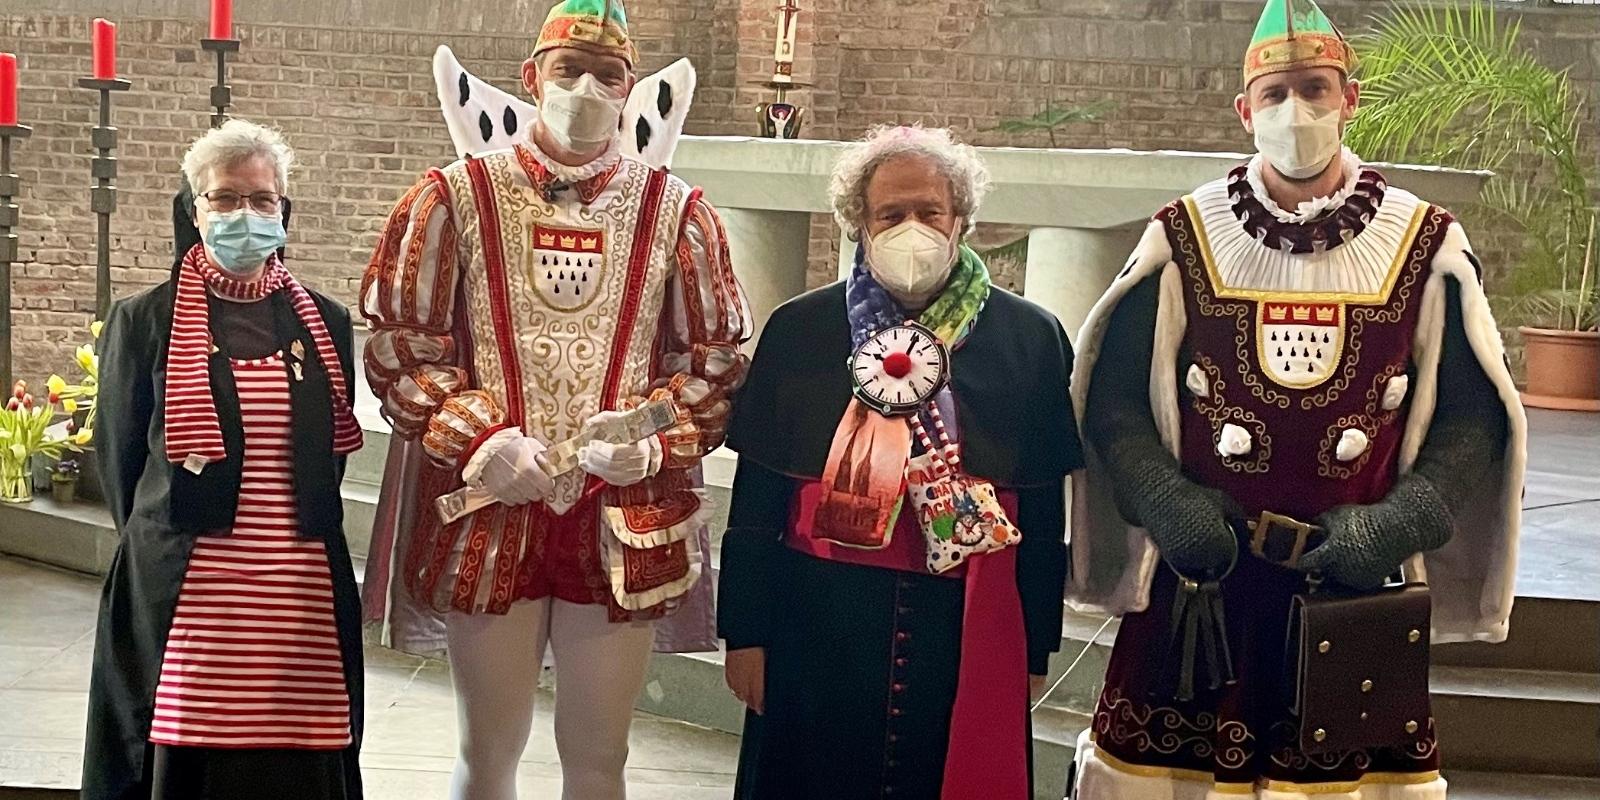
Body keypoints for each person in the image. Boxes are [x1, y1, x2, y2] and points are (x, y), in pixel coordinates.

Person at [1067, 1, 1527, 798]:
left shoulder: (1426, 243)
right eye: (1276, 93)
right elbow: (1113, 402)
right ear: (1246, 111)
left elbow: (1471, 416)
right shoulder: (1183, 236)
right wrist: (1163, 499)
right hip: (1200, 598)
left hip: (1354, 594)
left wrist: (1401, 522)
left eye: (1315, 88)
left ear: (1350, 98)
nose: (1296, 111)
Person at [359, 0, 750, 797]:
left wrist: (651, 439)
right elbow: (403, 345)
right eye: (569, 70)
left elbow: (710, 361)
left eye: (608, 75)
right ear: (532, 76)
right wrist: (480, 441)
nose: (587, 89)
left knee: (600, 756)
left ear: (632, 89)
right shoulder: (453, 197)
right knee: (487, 749)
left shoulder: (677, 211)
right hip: (491, 508)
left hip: (622, 516)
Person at [718, 125, 1081, 800]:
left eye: (929, 211)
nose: (910, 227)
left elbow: (1043, 500)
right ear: (859, 222)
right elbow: (757, 498)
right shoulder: (801, 329)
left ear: (960, 221)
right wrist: (744, 633)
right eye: (890, 214)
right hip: (818, 620)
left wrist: (1034, 648)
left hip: (967, 620)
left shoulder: (1030, 337)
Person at [83, 119, 365, 800]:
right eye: (226, 198)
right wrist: (167, 534)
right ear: (194, 210)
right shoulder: (144, 318)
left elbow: (328, 456)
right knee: (182, 751)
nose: (246, 213)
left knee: (298, 748)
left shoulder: (324, 322)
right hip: (189, 589)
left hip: (295, 588)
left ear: (284, 212)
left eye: (262, 200)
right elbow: (121, 459)